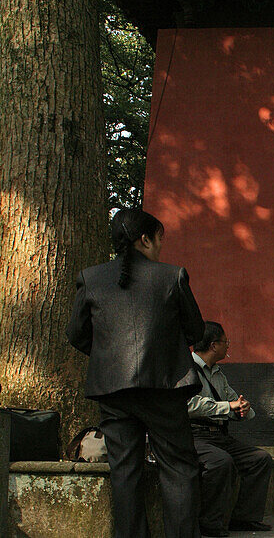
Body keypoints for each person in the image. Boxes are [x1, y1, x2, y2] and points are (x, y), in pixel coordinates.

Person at [66, 207, 205, 538]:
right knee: (179, 468)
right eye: (159, 240)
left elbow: (77, 334)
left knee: (124, 471)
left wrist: (106, 356)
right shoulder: (172, 276)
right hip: (165, 386)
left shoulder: (91, 277)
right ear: (145, 239)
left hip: (112, 390)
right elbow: (196, 331)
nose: (160, 248)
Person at [189, 322, 273, 536]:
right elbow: (190, 405)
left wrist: (243, 407)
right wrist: (229, 406)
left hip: (219, 435)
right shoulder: (186, 368)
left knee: (259, 458)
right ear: (214, 345)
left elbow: (232, 399)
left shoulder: (217, 373)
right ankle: (210, 523)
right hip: (194, 436)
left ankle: (244, 518)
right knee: (220, 462)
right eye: (226, 342)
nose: (228, 346)